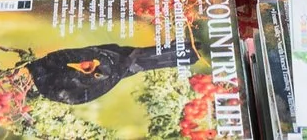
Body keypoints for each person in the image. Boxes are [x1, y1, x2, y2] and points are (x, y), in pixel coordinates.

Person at [24, 30, 200, 106]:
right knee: (138, 60)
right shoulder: (52, 84)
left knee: (138, 59)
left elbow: (79, 56)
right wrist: (117, 65)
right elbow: (88, 84)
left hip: (108, 64)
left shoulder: (47, 72)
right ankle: (184, 53)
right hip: (108, 68)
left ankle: (182, 52)